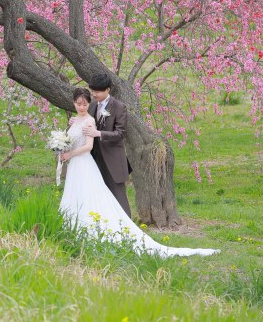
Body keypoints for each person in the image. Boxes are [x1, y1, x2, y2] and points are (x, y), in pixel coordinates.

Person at [59, 88, 218, 257]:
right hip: (82, 164)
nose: (82, 106)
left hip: (93, 161)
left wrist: (74, 149)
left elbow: (107, 137)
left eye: (85, 103)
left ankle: (118, 229)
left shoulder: (107, 112)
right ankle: (73, 228)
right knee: (78, 195)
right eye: (78, 103)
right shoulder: (82, 116)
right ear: (74, 103)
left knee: (102, 197)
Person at [83, 73, 132, 217]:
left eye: (98, 91)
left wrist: (99, 133)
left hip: (113, 160)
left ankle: (127, 230)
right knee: (98, 195)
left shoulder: (119, 107)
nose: (94, 94)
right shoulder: (92, 106)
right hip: (94, 158)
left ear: (108, 90)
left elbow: (120, 134)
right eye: (93, 91)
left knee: (119, 196)